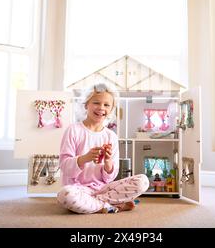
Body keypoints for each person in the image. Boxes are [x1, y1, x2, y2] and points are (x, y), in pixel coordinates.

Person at [57, 83, 149, 214]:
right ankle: (109, 204)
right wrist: (85, 158)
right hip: (78, 189)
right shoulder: (73, 130)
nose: (101, 108)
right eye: (96, 103)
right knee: (65, 194)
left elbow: (109, 179)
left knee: (143, 181)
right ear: (86, 105)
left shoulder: (111, 136)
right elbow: (65, 167)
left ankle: (98, 203)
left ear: (111, 109)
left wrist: (108, 163)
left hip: (103, 189)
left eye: (106, 105)